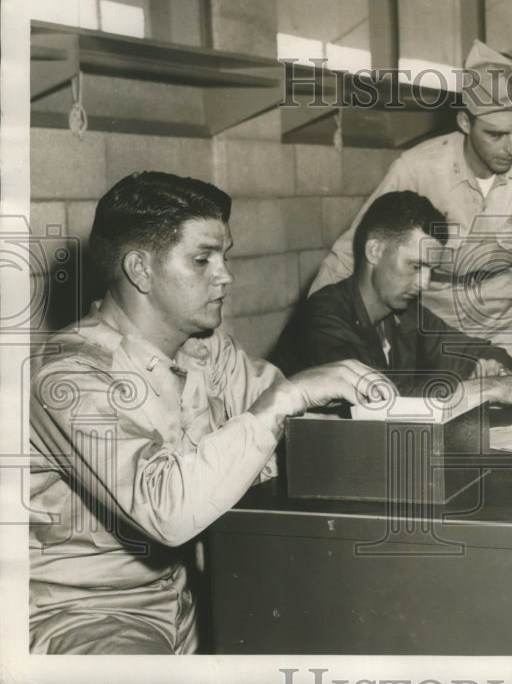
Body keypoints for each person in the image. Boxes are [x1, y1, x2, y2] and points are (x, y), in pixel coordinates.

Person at [28, 172, 396, 654]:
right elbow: (169, 510)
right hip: (87, 618)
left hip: (188, 602)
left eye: (225, 257)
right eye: (203, 259)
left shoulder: (204, 350)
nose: (225, 275)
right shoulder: (67, 378)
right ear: (140, 270)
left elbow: (301, 436)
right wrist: (284, 401)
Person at [307, 40, 512, 369]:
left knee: (505, 410)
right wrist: (314, 327)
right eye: (495, 135)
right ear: (465, 122)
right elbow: (355, 249)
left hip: (503, 315)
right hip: (430, 317)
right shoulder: (419, 167)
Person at [275, 191, 512, 413]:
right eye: (415, 266)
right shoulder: (324, 316)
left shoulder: (406, 315)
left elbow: (487, 350)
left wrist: (488, 368)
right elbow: (378, 401)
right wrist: (492, 388)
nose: (424, 283)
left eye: (431, 270)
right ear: (375, 251)